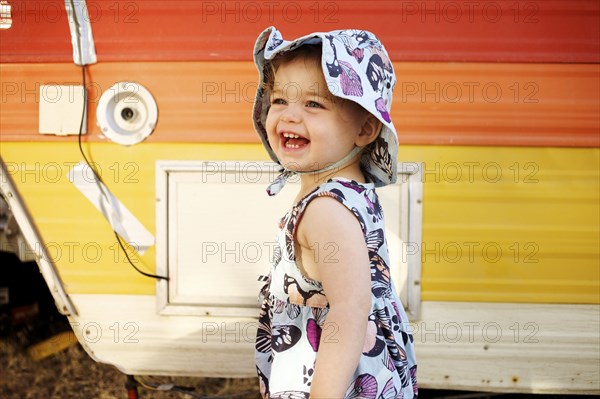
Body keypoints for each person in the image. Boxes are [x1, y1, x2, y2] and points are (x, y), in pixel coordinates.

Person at [252, 26, 418, 399]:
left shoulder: (326, 210)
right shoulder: (352, 192)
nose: (290, 116)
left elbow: (349, 313)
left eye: (314, 104)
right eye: (279, 100)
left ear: (365, 129)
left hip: (333, 383)